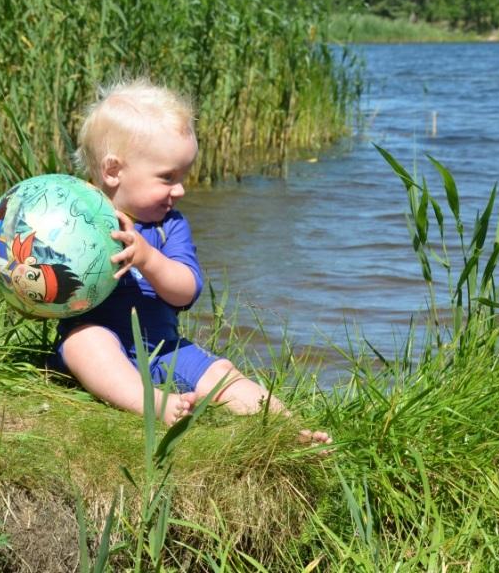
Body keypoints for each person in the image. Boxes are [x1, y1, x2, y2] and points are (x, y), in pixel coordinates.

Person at [44, 78, 330, 446]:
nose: (180, 190)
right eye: (167, 178)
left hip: (164, 348)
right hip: (99, 348)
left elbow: (185, 291)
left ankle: (289, 429)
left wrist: (147, 258)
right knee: (86, 341)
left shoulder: (169, 227)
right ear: (113, 170)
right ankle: (152, 403)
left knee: (222, 372)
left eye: (183, 176)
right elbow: (40, 276)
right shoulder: (73, 215)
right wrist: (4, 251)